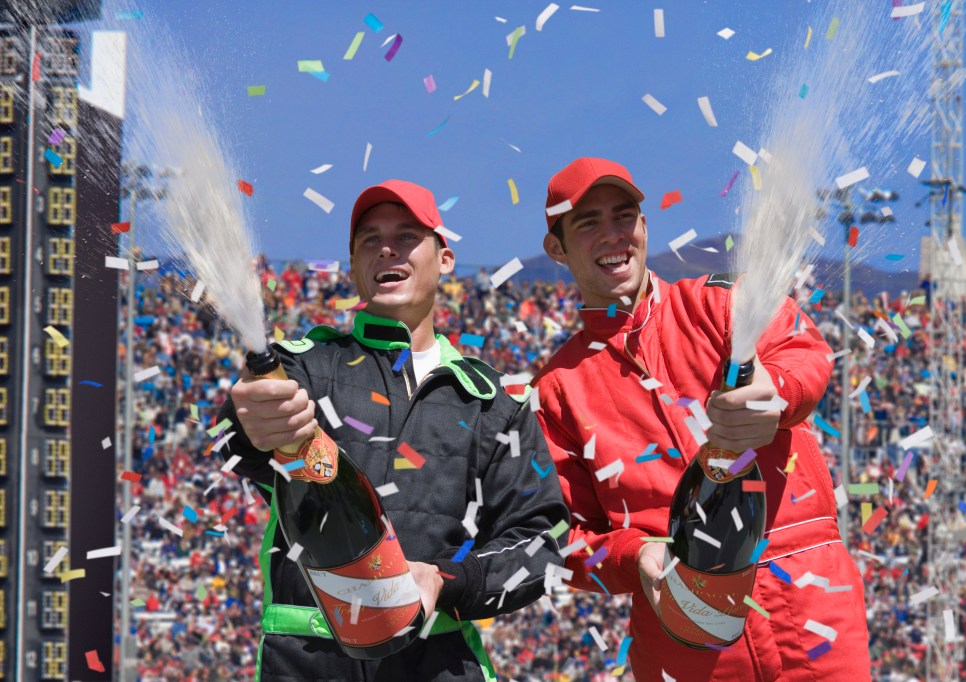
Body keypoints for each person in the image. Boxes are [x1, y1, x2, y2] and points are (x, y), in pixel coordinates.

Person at [531, 157, 871, 680]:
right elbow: (561, 535)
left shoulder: (721, 301)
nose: (613, 235)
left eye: (624, 217)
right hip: (681, 621)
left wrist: (774, 396)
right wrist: (635, 556)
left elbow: (804, 351)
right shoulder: (556, 388)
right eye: (588, 223)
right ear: (556, 247)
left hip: (809, 593)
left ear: (645, 225)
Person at [220, 179, 569, 681]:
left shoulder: (496, 402)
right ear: (354, 265)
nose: (387, 248)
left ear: (444, 259)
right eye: (370, 239)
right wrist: (249, 417)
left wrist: (446, 581)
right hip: (304, 665)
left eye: (407, 235)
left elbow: (543, 543)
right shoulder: (306, 368)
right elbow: (235, 442)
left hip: (440, 665)